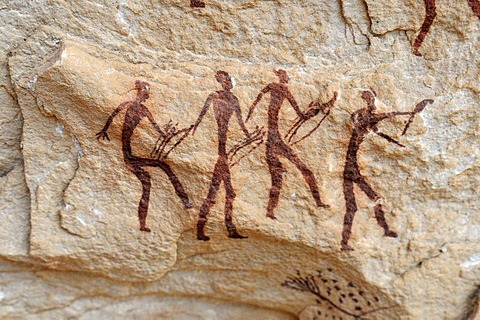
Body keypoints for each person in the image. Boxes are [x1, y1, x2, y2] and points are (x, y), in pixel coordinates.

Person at [96, 80, 192, 232]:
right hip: (130, 155)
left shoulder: (143, 110)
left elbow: (157, 129)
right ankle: (185, 200)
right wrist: (104, 130)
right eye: (145, 94)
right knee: (163, 165)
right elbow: (113, 116)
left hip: (131, 154)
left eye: (147, 95)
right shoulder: (127, 105)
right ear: (139, 93)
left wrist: (167, 134)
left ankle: (142, 225)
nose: (146, 97)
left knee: (147, 183)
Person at [247, 69, 329, 220]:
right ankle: (316, 202)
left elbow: (257, 100)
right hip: (275, 142)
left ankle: (271, 211)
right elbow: (302, 115)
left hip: (274, 141)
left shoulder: (272, 87)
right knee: (293, 174)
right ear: (282, 77)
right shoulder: (282, 89)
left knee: (279, 178)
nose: (287, 78)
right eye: (286, 76)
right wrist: (320, 109)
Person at [341, 90, 415, 251]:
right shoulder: (365, 118)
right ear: (369, 103)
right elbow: (389, 115)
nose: (373, 104)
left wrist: (395, 143)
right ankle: (345, 242)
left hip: (351, 168)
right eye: (371, 101)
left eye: (372, 101)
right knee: (354, 205)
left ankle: (383, 230)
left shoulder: (362, 119)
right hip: (351, 170)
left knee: (362, 202)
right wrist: (409, 112)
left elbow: (380, 133)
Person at [192, 71, 251, 240]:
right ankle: (216, 228)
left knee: (224, 192)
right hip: (220, 153)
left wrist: (249, 136)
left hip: (222, 152)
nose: (231, 82)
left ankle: (211, 229)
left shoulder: (232, 99)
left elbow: (241, 124)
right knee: (219, 193)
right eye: (229, 79)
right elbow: (200, 118)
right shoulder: (217, 97)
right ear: (224, 81)